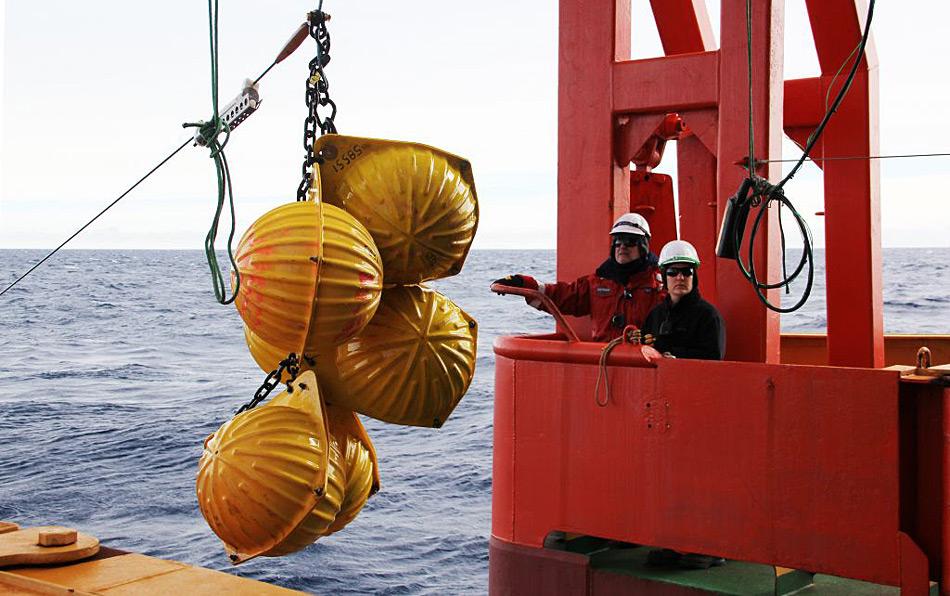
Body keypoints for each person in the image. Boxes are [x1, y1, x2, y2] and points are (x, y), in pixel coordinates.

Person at [494, 213, 664, 342]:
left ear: (643, 246)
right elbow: (565, 297)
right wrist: (527, 285)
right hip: (605, 365)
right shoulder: (597, 282)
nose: (622, 246)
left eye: (630, 241)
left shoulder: (660, 284)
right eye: (618, 241)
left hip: (646, 365)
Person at [642, 240, 725, 360]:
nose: (680, 278)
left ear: (693, 277)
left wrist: (672, 353)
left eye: (687, 272)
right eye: (673, 272)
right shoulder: (655, 316)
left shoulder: (708, 316)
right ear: (665, 277)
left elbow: (713, 357)